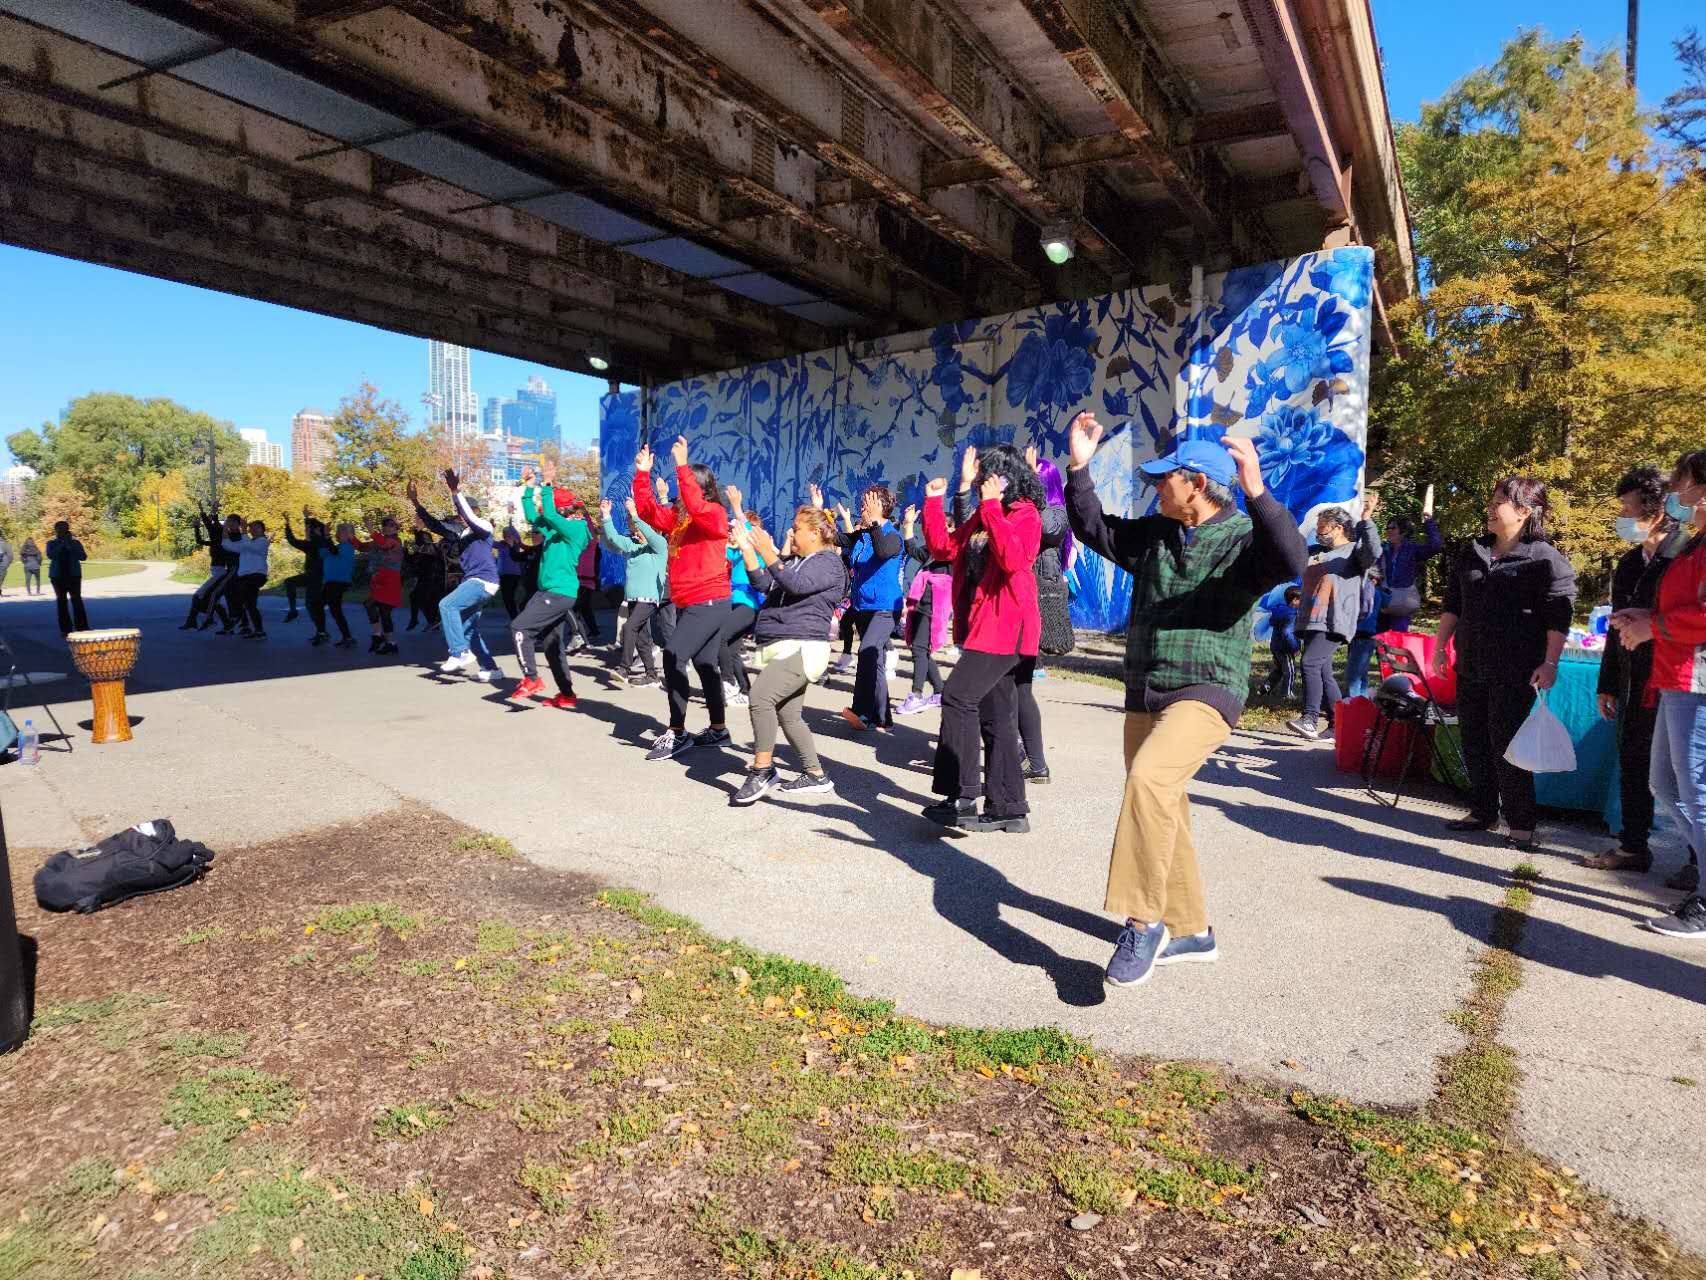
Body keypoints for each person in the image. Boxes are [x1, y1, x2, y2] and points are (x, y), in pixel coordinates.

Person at [1065, 414, 1307, 989]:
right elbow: (1094, 527)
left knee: (1149, 782)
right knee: (1162, 803)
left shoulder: (1243, 541)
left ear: (1196, 483)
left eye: (1163, 478)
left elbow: (1292, 559)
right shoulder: (1156, 536)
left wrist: (1257, 489)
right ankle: (1192, 929)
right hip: (1144, 687)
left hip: (1206, 689)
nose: (1155, 486)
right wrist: (1080, 466)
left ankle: (1144, 921)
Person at [1434, 477, 1576, 853]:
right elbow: (1453, 605)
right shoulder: (1473, 552)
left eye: (1500, 502)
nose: (1491, 508)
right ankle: (1482, 811)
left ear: (1524, 511)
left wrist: (1550, 663)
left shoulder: (1545, 559)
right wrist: (1439, 647)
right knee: (1474, 739)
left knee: (1507, 744)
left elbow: (1558, 617)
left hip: (1515, 670)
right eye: (1492, 500)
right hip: (1471, 664)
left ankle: (1522, 825)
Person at [920, 444, 1044, 835]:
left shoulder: (1026, 515)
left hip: (1008, 626)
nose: (980, 483)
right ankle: (1009, 806)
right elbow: (945, 548)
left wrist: (991, 508)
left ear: (1005, 477)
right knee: (997, 714)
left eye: (986, 474)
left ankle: (962, 795)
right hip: (982, 625)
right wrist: (935, 501)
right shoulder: (984, 511)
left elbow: (1013, 560)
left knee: (957, 696)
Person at [1611, 451, 1706, 938]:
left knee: (1695, 791)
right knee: (1666, 787)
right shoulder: (1692, 546)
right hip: (1669, 678)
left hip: (1695, 680)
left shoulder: (1692, 547)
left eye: (1682, 484)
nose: (1676, 493)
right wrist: (1642, 624)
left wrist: (1656, 625)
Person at [1585, 466, 1687, 874]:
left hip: (1676, 678)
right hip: (1633, 678)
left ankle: (1697, 861)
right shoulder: (1629, 563)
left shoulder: (1684, 555)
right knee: (1633, 761)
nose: (1623, 518)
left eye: (1629, 508)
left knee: (1681, 773)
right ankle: (1633, 846)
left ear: (1657, 511)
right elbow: (1616, 625)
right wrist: (1608, 681)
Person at [730, 505, 849, 804]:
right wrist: (747, 548)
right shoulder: (798, 560)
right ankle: (816, 775)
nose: (792, 532)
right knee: (789, 715)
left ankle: (763, 769)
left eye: (797, 527)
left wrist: (766, 549)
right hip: (786, 644)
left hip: (804, 646)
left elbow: (794, 584)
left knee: (760, 698)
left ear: (816, 533)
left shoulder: (829, 563)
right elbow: (765, 583)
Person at [630, 436, 732, 761]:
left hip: (710, 599)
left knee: (673, 655)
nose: (679, 495)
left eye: (685, 488)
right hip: (693, 602)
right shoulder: (679, 520)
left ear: (698, 489)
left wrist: (682, 467)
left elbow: (698, 505)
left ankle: (677, 732)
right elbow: (647, 511)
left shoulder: (713, 514)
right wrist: (642, 474)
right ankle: (718, 728)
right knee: (704, 662)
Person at [1287, 499, 1381, 740]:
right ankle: (1338, 725)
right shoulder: (1317, 552)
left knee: (1309, 663)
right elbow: (1289, 553)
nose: (1319, 535)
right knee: (1323, 671)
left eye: (1323, 529)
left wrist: (1367, 520)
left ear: (1339, 528)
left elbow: (1373, 552)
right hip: (1311, 620)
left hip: (1334, 620)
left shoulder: (1353, 553)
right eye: (1317, 530)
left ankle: (1309, 718)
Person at [1015, 449, 1075, 784]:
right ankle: (1026, 756)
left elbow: (1042, 530)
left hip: (1037, 599)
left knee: (1017, 682)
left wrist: (1029, 488)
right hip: (1020, 598)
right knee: (1013, 683)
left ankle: (1033, 760)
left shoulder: (1054, 513)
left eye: (1030, 477)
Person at [510, 461, 591, 709]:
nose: (543, 509)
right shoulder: (555, 529)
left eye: (549, 505)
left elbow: (551, 515)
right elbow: (532, 516)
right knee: (552, 646)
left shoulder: (577, 528)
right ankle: (567, 695)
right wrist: (528, 487)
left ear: (562, 508)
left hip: (557, 593)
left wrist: (546, 485)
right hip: (552, 592)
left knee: (519, 628)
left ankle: (531, 678)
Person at [411, 469, 501, 682]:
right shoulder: (459, 534)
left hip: (483, 580)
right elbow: (435, 524)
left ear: (475, 511)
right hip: (476, 582)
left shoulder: (484, 527)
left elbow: (469, 516)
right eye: (458, 513)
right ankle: (491, 668)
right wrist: (416, 503)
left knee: (447, 606)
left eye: (463, 513)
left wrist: (455, 491)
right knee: (469, 628)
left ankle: (459, 652)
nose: (460, 516)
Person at [834, 484, 904, 732]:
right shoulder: (862, 536)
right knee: (876, 661)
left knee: (867, 651)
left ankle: (861, 712)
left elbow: (884, 551)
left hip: (885, 608)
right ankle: (883, 718)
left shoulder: (892, 536)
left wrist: (874, 523)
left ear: (881, 507)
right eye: (863, 502)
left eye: (867, 502)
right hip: (864, 607)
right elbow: (836, 538)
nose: (863, 506)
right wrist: (821, 514)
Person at [600, 495, 668, 688]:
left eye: (637, 526)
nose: (634, 529)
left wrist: (635, 514)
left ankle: (624, 668)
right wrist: (606, 516)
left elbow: (650, 534)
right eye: (631, 525)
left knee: (629, 628)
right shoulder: (632, 545)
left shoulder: (659, 545)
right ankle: (651, 674)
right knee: (642, 637)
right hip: (632, 597)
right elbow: (613, 537)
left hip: (649, 598)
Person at [896, 502, 951, 715]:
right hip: (921, 600)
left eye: (944, 525)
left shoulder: (952, 549)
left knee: (920, 649)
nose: (938, 529)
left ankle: (916, 695)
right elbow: (913, 551)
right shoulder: (932, 549)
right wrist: (908, 525)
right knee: (920, 649)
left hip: (934, 602)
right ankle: (939, 690)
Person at [718, 503, 764, 707]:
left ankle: (727, 682)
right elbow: (719, 549)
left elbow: (748, 530)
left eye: (737, 528)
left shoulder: (756, 550)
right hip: (734, 604)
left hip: (747, 605)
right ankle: (746, 691)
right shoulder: (736, 553)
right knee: (733, 647)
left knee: (720, 638)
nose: (733, 531)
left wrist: (737, 509)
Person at [1378, 496, 1442, 631]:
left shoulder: (1412, 550)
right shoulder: (1382, 549)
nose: (1388, 530)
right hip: (1383, 603)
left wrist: (1428, 520)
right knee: (1380, 643)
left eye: (1393, 527)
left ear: (1403, 531)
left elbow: (1435, 545)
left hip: (1402, 603)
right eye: (1387, 527)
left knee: (1397, 642)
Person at [353, 513, 404, 656]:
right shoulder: (378, 541)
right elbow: (362, 547)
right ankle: (388, 642)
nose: (387, 527)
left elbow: (385, 545)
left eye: (391, 525)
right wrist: (351, 537)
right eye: (385, 525)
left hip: (390, 580)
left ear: (396, 528)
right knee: (378, 609)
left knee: (378, 608)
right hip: (380, 579)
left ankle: (381, 637)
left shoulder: (396, 541)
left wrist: (370, 529)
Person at [180, 509, 237, 631]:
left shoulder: (224, 541)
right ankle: (226, 624)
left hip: (220, 572)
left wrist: (208, 514)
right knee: (214, 601)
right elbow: (200, 539)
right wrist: (197, 524)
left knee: (198, 596)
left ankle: (193, 621)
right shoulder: (216, 541)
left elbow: (212, 525)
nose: (211, 529)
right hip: (217, 572)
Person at [1343, 567, 1391, 700]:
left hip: (1358, 634)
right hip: (1369, 635)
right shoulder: (1378, 593)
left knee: (1353, 673)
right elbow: (1388, 602)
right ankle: (1363, 700)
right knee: (1362, 672)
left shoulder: (1361, 590)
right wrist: (1385, 589)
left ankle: (1352, 702)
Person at [283, 511, 330, 637]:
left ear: (315, 531)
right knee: (312, 605)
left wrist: (287, 523)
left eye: (308, 530)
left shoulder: (315, 544)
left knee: (291, 584)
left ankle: (293, 611)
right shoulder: (319, 541)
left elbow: (292, 540)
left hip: (315, 577)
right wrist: (306, 518)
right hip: (316, 577)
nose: (306, 532)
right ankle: (321, 632)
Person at [223, 518, 272, 639]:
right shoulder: (247, 542)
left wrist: (243, 530)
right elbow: (227, 545)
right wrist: (224, 529)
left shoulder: (263, 541)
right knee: (249, 604)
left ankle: (240, 620)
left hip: (256, 576)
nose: (253, 529)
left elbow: (252, 548)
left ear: (262, 529)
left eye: (256, 527)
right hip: (245, 577)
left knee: (244, 599)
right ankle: (257, 630)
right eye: (251, 527)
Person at [45, 520, 90, 635]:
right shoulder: (51, 543)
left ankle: (82, 627)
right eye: (60, 530)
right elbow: (51, 555)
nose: (63, 532)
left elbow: (83, 557)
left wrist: (70, 545)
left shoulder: (75, 543)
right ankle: (66, 629)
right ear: (56, 531)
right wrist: (62, 544)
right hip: (58, 576)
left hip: (73, 575)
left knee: (77, 601)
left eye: (65, 530)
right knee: (61, 601)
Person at [1260, 587, 1302, 700]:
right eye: (1300, 600)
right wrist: (1295, 648)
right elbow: (1287, 633)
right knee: (1291, 671)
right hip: (1286, 649)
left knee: (1279, 670)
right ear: (1294, 600)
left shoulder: (1280, 612)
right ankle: (1286, 694)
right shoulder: (1291, 614)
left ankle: (1266, 687)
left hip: (1275, 647)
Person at [321, 524, 358, 648]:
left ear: (349, 535)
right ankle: (344, 636)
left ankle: (345, 636)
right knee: (328, 608)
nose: (338, 533)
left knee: (334, 609)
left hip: (339, 582)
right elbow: (322, 552)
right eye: (338, 531)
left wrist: (326, 535)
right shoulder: (335, 547)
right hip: (330, 582)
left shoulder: (348, 547)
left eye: (342, 531)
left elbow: (333, 551)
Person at [405, 528, 446, 631]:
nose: (417, 541)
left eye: (418, 539)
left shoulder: (430, 548)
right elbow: (412, 560)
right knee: (420, 599)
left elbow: (418, 559)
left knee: (421, 599)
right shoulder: (424, 549)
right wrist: (406, 552)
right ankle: (431, 622)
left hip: (433, 580)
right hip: (428, 579)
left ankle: (425, 621)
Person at [572, 534, 604, 645]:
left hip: (587, 582)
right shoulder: (591, 551)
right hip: (586, 581)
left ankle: (577, 633)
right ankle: (593, 631)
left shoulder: (593, 552)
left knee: (575, 608)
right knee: (585, 609)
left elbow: (593, 568)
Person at [496, 527, 526, 619]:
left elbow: (518, 538)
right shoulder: (501, 544)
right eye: (504, 534)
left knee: (509, 597)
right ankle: (514, 618)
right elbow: (490, 542)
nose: (505, 535)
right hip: (503, 575)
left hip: (513, 574)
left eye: (507, 534)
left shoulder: (515, 544)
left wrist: (510, 527)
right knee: (507, 598)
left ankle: (515, 619)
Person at [0, 533, 12, 597]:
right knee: (1, 578)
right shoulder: (6, 544)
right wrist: (8, 563)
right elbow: (10, 556)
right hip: (3, 564)